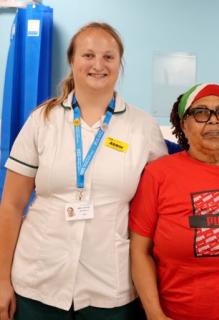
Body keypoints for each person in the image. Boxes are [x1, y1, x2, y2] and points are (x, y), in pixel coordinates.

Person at [0, 22, 167, 320]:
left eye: (108, 57)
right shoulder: (42, 120)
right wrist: (1, 280)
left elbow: (154, 217)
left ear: (119, 63)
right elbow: (11, 206)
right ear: (72, 61)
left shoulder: (143, 128)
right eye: (88, 55)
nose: (98, 65)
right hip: (38, 282)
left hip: (110, 287)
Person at [129, 83, 219, 320]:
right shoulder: (158, 174)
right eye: (201, 113)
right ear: (183, 124)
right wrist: (154, 314)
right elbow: (139, 252)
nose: (214, 121)